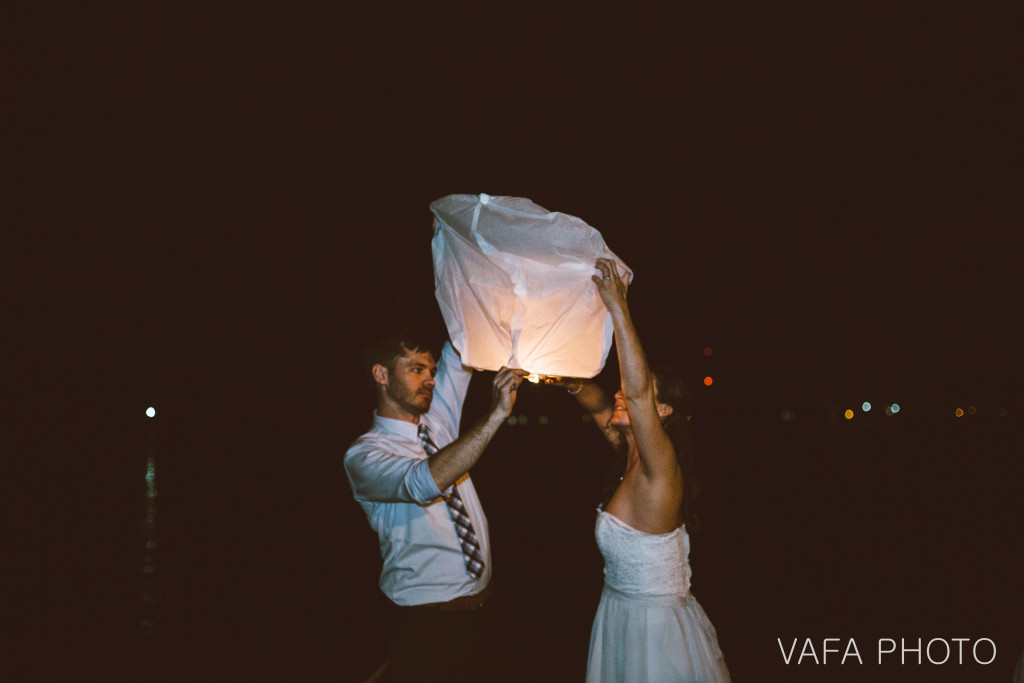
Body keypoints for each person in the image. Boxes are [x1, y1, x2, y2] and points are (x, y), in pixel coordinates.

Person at [559, 258, 731, 682]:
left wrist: (619, 308)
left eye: (642, 390)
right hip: (618, 613)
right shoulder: (629, 449)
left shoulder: (662, 465)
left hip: (655, 632)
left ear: (664, 410)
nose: (624, 393)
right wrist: (568, 379)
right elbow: (601, 401)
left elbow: (632, 396)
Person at [344, 332, 526, 682]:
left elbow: (464, 337)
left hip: (486, 608)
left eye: (431, 369)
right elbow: (422, 483)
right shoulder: (364, 455)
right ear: (381, 375)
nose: (430, 379)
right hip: (426, 624)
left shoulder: (436, 420)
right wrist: (496, 415)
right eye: (416, 369)